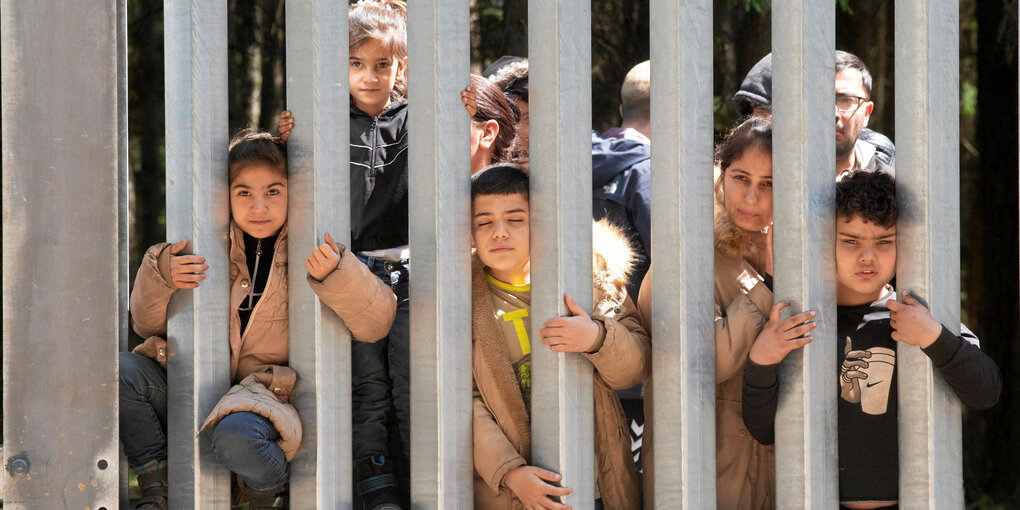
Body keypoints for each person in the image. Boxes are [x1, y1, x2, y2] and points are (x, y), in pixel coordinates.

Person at [120, 130, 397, 510]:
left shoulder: (316, 246)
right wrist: (160, 274)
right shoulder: (204, 243)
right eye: (244, 193)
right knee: (120, 372)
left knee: (238, 433)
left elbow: (377, 323)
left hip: (269, 402)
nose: (259, 206)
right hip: (193, 388)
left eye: (273, 191)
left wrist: (337, 275)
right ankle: (160, 485)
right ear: (226, 197)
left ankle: (266, 496)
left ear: (292, 193)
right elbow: (144, 326)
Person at [741, 170, 1001, 509]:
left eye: (884, 242)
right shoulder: (804, 323)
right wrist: (761, 360)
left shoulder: (916, 316)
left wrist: (934, 338)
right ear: (824, 241)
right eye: (850, 241)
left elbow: (986, 391)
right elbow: (764, 431)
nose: (868, 257)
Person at [278, 1, 412, 507]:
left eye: (382, 64)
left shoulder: (413, 119)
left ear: (400, 65)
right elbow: (290, 179)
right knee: (365, 383)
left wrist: (460, 104)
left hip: (403, 267)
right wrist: (291, 139)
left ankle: (413, 474)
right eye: (356, 64)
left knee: (409, 378)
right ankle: (374, 484)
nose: (370, 77)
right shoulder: (327, 121)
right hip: (348, 272)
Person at [469, 164, 648, 510]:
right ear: (469, 233)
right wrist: (511, 472)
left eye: (515, 219)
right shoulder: (462, 297)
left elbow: (637, 365)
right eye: (484, 222)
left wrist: (597, 338)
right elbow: (463, 402)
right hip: (510, 491)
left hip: (594, 482)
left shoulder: (591, 278)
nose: (500, 232)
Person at [637, 117, 781, 509]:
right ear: (720, 176)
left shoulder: (805, 262)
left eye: (768, 184)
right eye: (741, 178)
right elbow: (702, 363)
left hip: (778, 477)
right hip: (697, 479)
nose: (752, 198)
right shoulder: (686, 251)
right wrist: (768, 286)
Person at [731, 51, 895, 178]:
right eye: (820, 100)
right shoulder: (745, 181)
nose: (832, 113)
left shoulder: (891, 184)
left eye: (846, 100)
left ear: (867, 113)